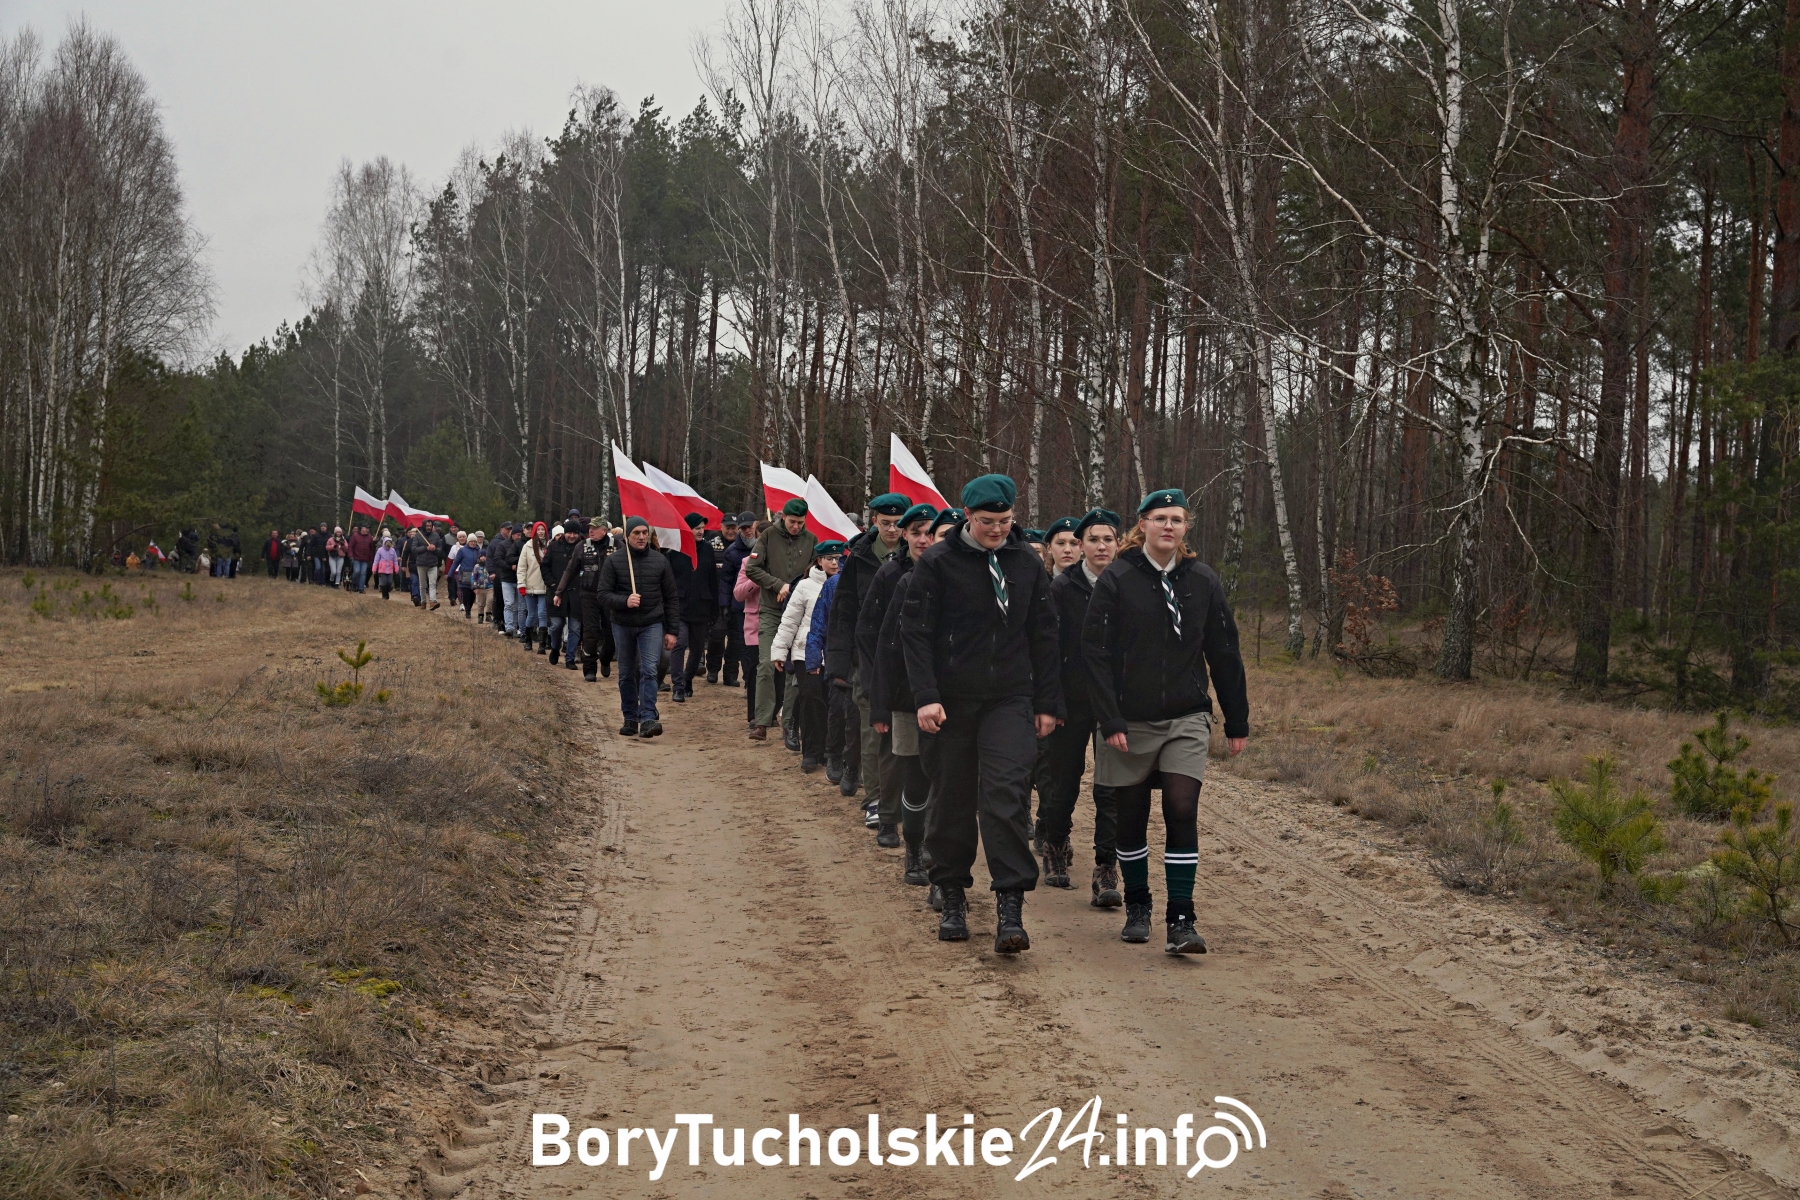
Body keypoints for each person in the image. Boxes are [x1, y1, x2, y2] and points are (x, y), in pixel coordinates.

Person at [1082, 489, 1249, 954]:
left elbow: (1225, 651)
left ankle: (1182, 918)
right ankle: (1138, 905)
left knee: (1181, 807)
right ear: (1143, 525)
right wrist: (1109, 716)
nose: (1168, 526)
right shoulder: (1117, 578)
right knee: (1131, 814)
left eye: (1177, 519)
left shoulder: (1203, 580)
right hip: (1129, 717)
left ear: (1186, 527)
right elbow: (1094, 653)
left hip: (1186, 714)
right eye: (1160, 518)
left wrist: (1236, 719)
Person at [900, 475, 1061, 954]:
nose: (997, 529)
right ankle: (952, 893)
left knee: (1006, 794)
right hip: (950, 701)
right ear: (967, 516)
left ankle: (1010, 904)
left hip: (1010, 699)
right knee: (951, 798)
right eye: (987, 521)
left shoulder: (1026, 563)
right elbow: (915, 633)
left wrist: (1048, 702)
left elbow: (1045, 634)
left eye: (1005, 520)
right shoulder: (938, 563)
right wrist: (925, 695)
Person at [1039, 508, 1125, 903]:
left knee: (1111, 787)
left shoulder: (1129, 583)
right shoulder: (1062, 588)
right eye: (1093, 539)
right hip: (1071, 700)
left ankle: (1107, 868)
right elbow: (1048, 650)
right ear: (1081, 545)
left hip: (1114, 702)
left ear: (1118, 544)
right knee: (1063, 781)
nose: (1101, 546)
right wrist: (1051, 701)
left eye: (1108, 539)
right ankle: (1055, 846)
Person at [865, 503, 939, 868]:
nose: (924, 540)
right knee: (900, 760)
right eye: (917, 533)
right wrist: (878, 699)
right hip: (902, 690)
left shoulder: (953, 576)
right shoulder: (893, 574)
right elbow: (879, 639)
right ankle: (890, 818)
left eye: (930, 533)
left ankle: (929, 837)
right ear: (905, 536)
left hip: (944, 693)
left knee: (937, 770)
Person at [828, 492, 910, 803]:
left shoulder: (917, 555)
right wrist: (839, 663)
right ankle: (876, 799)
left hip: (906, 655)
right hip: (867, 655)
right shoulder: (859, 557)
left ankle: (903, 797)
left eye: (898, 523)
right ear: (874, 521)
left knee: (904, 731)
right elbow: (843, 611)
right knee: (870, 729)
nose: (892, 529)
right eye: (886, 523)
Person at [598, 516, 680, 738]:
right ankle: (630, 717)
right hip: (623, 624)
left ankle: (648, 717)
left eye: (645, 532)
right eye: (636, 533)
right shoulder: (614, 561)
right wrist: (624, 601)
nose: (642, 537)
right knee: (626, 672)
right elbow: (603, 594)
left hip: (651, 623)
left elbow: (671, 598)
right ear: (627, 536)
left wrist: (672, 631)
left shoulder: (660, 561)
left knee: (649, 669)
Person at [745, 499, 818, 741]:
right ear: (783, 517)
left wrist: (794, 589)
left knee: (793, 669)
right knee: (767, 663)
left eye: (800, 523)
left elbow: (815, 573)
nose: (796, 526)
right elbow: (752, 568)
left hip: (799, 614)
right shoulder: (768, 536)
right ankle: (762, 721)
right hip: (771, 610)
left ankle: (789, 725)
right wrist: (778, 585)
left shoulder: (811, 540)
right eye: (792, 521)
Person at [772, 541, 842, 771]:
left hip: (833, 652)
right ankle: (811, 752)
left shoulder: (844, 584)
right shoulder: (804, 586)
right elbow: (790, 621)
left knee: (830, 702)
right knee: (811, 698)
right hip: (804, 651)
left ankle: (828, 750)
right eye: (829, 558)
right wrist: (780, 651)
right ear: (819, 561)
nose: (834, 562)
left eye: (838, 558)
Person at [673, 513, 718, 700]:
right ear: (688, 529)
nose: (701, 531)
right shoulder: (675, 549)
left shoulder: (707, 549)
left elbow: (713, 579)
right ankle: (678, 686)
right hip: (680, 606)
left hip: (701, 607)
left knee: (698, 649)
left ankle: (687, 678)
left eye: (702, 528)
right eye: (697, 528)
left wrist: (715, 609)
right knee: (679, 643)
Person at [719, 512, 757, 688]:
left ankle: (751, 680)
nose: (747, 530)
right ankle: (733, 675)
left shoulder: (765, 547)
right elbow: (726, 580)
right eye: (744, 528)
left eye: (750, 526)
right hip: (739, 604)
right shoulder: (732, 552)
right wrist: (724, 604)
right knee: (738, 643)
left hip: (759, 603)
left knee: (753, 645)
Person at [544, 523, 584, 668]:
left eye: (575, 533)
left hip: (576, 594)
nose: (572, 536)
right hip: (556, 592)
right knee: (556, 625)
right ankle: (555, 647)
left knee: (575, 628)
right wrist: (551, 584)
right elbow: (545, 566)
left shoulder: (583, 547)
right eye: (569, 533)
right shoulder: (554, 546)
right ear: (564, 533)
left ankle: (570, 658)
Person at [733, 563, 763, 727]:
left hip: (782, 619)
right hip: (755, 624)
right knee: (755, 669)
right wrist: (758, 578)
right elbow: (739, 594)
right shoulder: (748, 562)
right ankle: (754, 714)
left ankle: (772, 712)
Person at [703, 515, 732, 684]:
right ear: (721, 527)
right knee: (717, 635)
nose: (731, 531)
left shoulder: (746, 546)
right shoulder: (712, 545)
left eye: (734, 527)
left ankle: (730, 675)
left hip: (738, 598)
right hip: (717, 598)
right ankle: (713, 669)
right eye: (728, 527)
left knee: (736, 640)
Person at [517, 522, 550, 651]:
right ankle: (528, 641)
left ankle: (542, 644)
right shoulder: (528, 546)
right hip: (530, 585)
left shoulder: (550, 545)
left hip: (544, 586)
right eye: (538, 529)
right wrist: (521, 584)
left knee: (542, 613)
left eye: (543, 529)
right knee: (531, 614)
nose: (541, 532)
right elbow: (521, 567)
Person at [347, 523, 375, 592]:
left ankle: (361, 588)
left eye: (368, 529)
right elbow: (350, 546)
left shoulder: (370, 537)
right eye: (366, 528)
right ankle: (354, 585)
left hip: (365, 559)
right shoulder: (355, 536)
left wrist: (371, 559)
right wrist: (350, 555)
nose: (367, 530)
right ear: (362, 528)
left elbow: (371, 549)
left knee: (363, 573)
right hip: (356, 557)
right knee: (357, 571)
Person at [372, 534, 399, 599]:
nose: (388, 548)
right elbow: (376, 560)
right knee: (383, 583)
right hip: (382, 569)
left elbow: (395, 560)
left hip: (390, 569)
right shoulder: (380, 550)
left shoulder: (393, 550)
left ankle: (386, 592)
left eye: (389, 547)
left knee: (389, 582)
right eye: (387, 546)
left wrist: (396, 568)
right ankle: (384, 595)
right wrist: (374, 569)